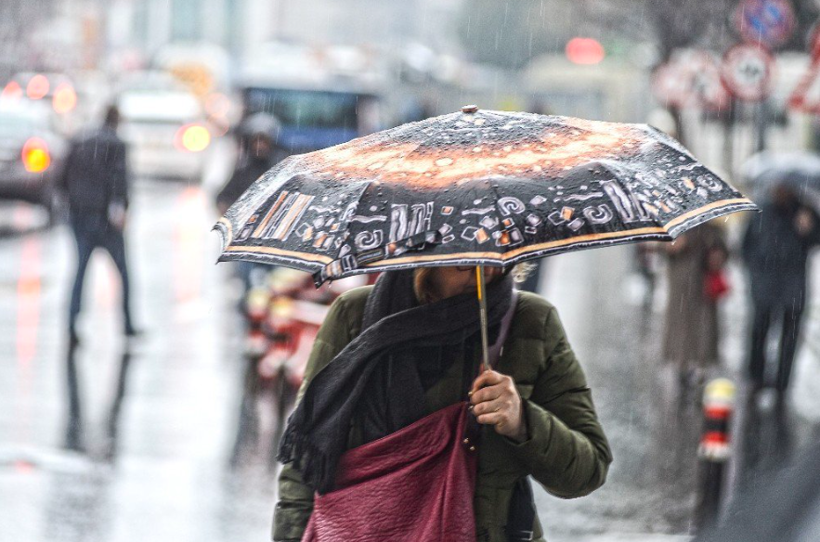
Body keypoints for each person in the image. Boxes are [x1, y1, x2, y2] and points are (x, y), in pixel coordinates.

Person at [273, 266, 612, 542]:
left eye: (496, 254)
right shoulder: (355, 316)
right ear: (425, 260)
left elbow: (587, 470)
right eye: (465, 264)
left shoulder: (530, 322)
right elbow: (306, 457)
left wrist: (523, 421)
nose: (487, 272)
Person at [59, 105, 137, 345]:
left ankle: (71, 323)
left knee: (80, 271)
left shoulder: (80, 140)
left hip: (80, 215)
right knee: (123, 273)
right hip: (104, 219)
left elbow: (61, 178)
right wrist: (118, 207)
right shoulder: (116, 145)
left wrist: (70, 204)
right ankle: (127, 324)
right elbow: (119, 179)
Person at [742, 185, 820, 398]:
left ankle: (782, 382)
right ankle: (756, 376)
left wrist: (809, 228)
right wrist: (755, 275)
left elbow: (815, 239)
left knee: (790, 336)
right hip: (764, 285)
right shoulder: (760, 210)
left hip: (793, 287)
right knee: (759, 332)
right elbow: (746, 246)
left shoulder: (805, 211)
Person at [662, 222, 729, 389]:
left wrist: (717, 252)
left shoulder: (711, 223)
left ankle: (701, 364)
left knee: (703, 325)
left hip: (703, 283)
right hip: (681, 282)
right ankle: (681, 366)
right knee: (681, 324)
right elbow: (661, 247)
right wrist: (671, 247)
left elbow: (724, 248)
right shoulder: (671, 223)